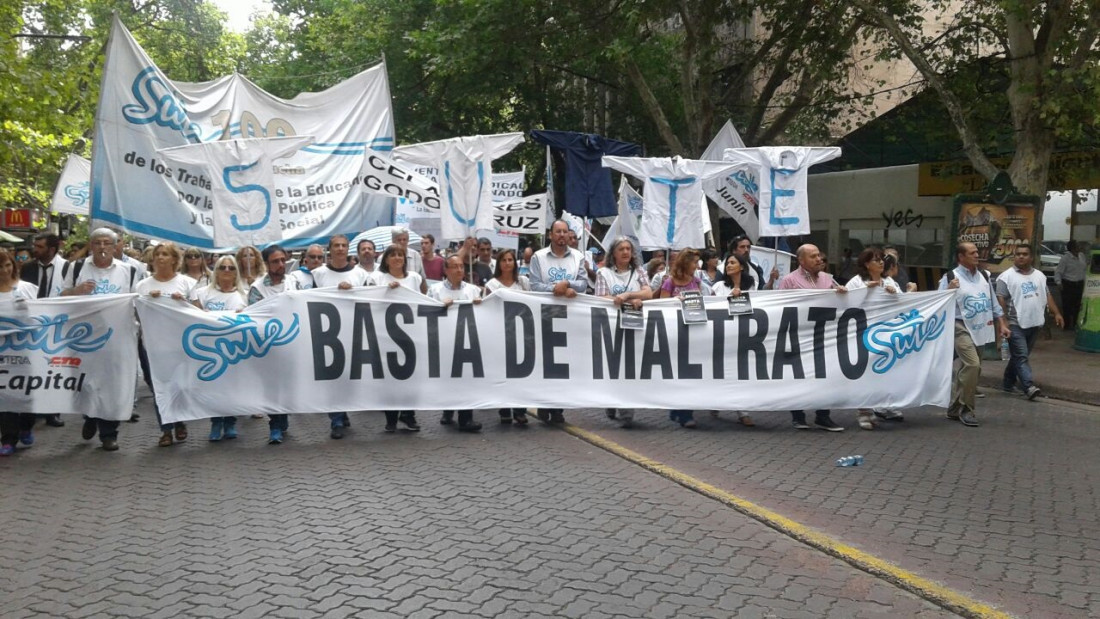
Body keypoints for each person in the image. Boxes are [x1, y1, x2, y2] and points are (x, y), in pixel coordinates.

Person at [60, 228, 141, 452]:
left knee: (112, 383)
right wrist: (77, 290)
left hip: (118, 336)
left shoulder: (130, 270)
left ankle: (109, 433)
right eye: (97, 243)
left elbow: (137, 300)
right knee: (86, 380)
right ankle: (90, 415)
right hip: (85, 336)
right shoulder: (76, 267)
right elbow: (61, 296)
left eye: (107, 242)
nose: (102, 247)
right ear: (91, 245)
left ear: (115, 246)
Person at [938, 242, 1011, 427]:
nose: (977, 255)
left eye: (977, 252)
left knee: (972, 368)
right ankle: (967, 409)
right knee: (972, 364)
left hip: (980, 326)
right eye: (972, 253)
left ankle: (954, 407)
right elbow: (937, 303)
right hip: (959, 326)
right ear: (961, 257)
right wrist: (948, 290)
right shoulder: (950, 277)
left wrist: (1002, 323)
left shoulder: (984, 276)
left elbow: (992, 302)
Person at [778, 244, 848, 431]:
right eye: (813, 256)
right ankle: (798, 416)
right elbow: (778, 307)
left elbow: (839, 303)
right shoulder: (789, 280)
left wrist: (842, 293)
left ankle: (823, 416)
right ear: (801, 260)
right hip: (798, 336)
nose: (819, 259)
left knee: (825, 376)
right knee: (798, 377)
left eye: (819, 255)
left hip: (823, 337)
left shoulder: (828, 279)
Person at [135, 242, 196, 447]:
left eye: (165, 254)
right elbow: (136, 314)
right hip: (152, 345)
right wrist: (147, 301)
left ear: (174, 259)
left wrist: (183, 302)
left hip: (179, 344)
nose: (160, 258)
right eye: (157, 254)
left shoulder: (186, 283)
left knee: (179, 385)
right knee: (159, 388)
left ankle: (179, 421)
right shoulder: (143, 286)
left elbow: (199, 312)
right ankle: (166, 430)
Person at [528, 220, 587, 424]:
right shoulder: (538, 257)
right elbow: (534, 286)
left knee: (564, 363)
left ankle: (558, 408)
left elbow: (583, 284)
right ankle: (545, 404)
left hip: (570, 319)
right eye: (558, 232)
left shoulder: (578, 257)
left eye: (565, 231)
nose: (562, 235)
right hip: (545, 316)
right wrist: (556, 289)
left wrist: (568, 284)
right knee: (546, 363)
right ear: (551, 235)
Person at [312, 235, 368, 437]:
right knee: (332, 375)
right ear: (330, 249)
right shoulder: (318, 274)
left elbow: (370, 297)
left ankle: (342, 409)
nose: (340, 249)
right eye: (336, 245)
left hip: (353, 329)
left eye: (344, 245)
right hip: (327, 332)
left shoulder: (360, 274)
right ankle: (335, 419)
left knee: (349, 376)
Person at [595, 238, 652, 428]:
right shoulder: (604, 273)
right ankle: (611, 400)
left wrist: (628, 296)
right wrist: (622, 300)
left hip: (634, 325)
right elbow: (602, 298)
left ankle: (627, 409)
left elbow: (648, 293)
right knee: (614, 366)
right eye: (621, 249)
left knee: (631, 367)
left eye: (628, 249)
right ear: (614, 253)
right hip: (611, 327)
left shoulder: (639, 272)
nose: (626, 252)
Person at [996, 244, 1064, 400]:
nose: (1021, 256)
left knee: (1019, 356)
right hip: (1015, 324)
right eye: (1018, 254)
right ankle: (1029, 386)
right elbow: (1000, 300)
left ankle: (1007, 383)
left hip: (1034, 323)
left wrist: (1057, 313)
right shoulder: (1006, 277)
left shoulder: (1039, 276)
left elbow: (1047, 296)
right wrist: (1003, 323)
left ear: (1031, 257)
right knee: (1021, 356)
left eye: (1025, 254)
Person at [843, 247, 902, 430]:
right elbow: (846, 302)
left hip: (885, 333)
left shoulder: (888, 280)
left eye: (882, 260)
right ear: (867, 264)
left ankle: (880, 407)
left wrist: (896, 293)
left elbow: (903, 302)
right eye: (876, 260)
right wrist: (864, 290)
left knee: (882, 372)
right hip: (863, 332)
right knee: (865, 374)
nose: (881, 263)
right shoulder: (858, 281)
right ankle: (863, 412)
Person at [191, 255, 248, 440]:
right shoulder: (202, 293)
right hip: (208, 349)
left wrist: (244, 314)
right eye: (222, 267)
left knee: (232, 388)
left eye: (231, 268)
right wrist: (201, 313)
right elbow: (191, 317)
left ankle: (230, 422)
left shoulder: (243, 295)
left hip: (233, 350)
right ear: (215, 270)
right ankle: (216, 422)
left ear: (236, 272)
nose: (226, 271)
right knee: (213, 388)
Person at [246, 245, 300, 444]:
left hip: (292, 343)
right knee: (271, 387)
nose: (280, 265)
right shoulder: (258, 288)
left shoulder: (294, 283)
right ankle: (275, 425)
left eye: (282, 260)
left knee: (286, 386)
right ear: (267, 264)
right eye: (275, 261)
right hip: (268, 345)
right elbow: (253, 315)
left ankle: (282, 418)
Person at [369, 245, 424, 433]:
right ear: (385, 259)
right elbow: (367, 299)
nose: (398, 258)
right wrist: (384, 290)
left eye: (401, 255)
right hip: (385, 334)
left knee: (411, 377)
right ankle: (391, 417)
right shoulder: (377, 278)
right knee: (389, 378)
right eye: (393, 255)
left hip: (411, 333)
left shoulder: (415, 278)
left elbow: (423, 300)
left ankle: (409, 415)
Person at [428, 255, 485, 432]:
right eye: (454, 267)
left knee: (467, 380)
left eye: (461, 266)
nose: (459, 270)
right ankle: (448, 409)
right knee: (448, 379)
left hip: (467, 342)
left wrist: (481, 305)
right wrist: (438, 306)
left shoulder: (473, 290)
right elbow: (425, 313)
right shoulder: (435, 290)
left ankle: (466, 418)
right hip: (445, 342)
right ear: (446, 270)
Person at [21, 232, 68, 427]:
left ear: (51, 249)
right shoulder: (27, 268)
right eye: (35, 246)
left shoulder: (67, 268)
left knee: (55, 369)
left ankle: (52, 411)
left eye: (39, 247)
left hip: (57, 325)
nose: (35, 250)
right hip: (32, 324)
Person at [656, 248, 706, 428]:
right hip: (674, 333)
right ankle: (678, 408)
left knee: (690, 373)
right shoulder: (670, 283)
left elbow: (703, 302)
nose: (697, 266)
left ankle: (685, 412)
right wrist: (675, 301)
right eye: (694, 262)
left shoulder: (696, 281)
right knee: (677, 372)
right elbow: (660, 306)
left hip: (692, 332)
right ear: (686, 263)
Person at [707, 254, 756, 427]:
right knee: (721, 371)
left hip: (742, 334)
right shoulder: (719, 286)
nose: (728, 265)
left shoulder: (751, 285)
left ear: (742, 266)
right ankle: (716, 402)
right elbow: (712, 308)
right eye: (727, 262)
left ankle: (743, 412)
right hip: (722, 335)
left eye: (733, 262)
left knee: (740, 372)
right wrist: (730, 299)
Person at [484, 249, 531, 425]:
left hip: (522, 333)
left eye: (510, 259)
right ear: (499, 263)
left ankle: (520, 410)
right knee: (503, 373)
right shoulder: (492, 285)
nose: (507, 263)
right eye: (504, 260)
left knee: (521, 373)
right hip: (500, 334)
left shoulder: (523, 282)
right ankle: (504, 408)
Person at [0, 248, 38, 456]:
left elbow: (44, 314)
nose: (5, 271)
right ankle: (8, 438)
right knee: (4, 395)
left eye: (8, 265)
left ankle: (26, 425)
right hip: (1, 355)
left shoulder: (27, 289)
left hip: (25, 351)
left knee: (26, 392)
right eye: (0, 267)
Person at [1055, 240, 1087, 330]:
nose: (1079, 247)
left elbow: (1084, 270)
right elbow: (1058, 272)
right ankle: (1066, 325)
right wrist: (1058, 282)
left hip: (1079, 284)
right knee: (1067, 306)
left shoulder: (1082, 256)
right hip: (1068, 284)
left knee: (1078, 305)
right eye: (1077, 245)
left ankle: (1076, 324)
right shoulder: (1065, 258)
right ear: (1072, 248)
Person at [390, 227, 427, 292]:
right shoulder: (384, 257)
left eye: (404, 239)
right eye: (399, 240)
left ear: (408, 241)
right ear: (393, 241)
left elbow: (422, 280)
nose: (402, 242)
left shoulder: (416, 256)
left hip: (412, 296)